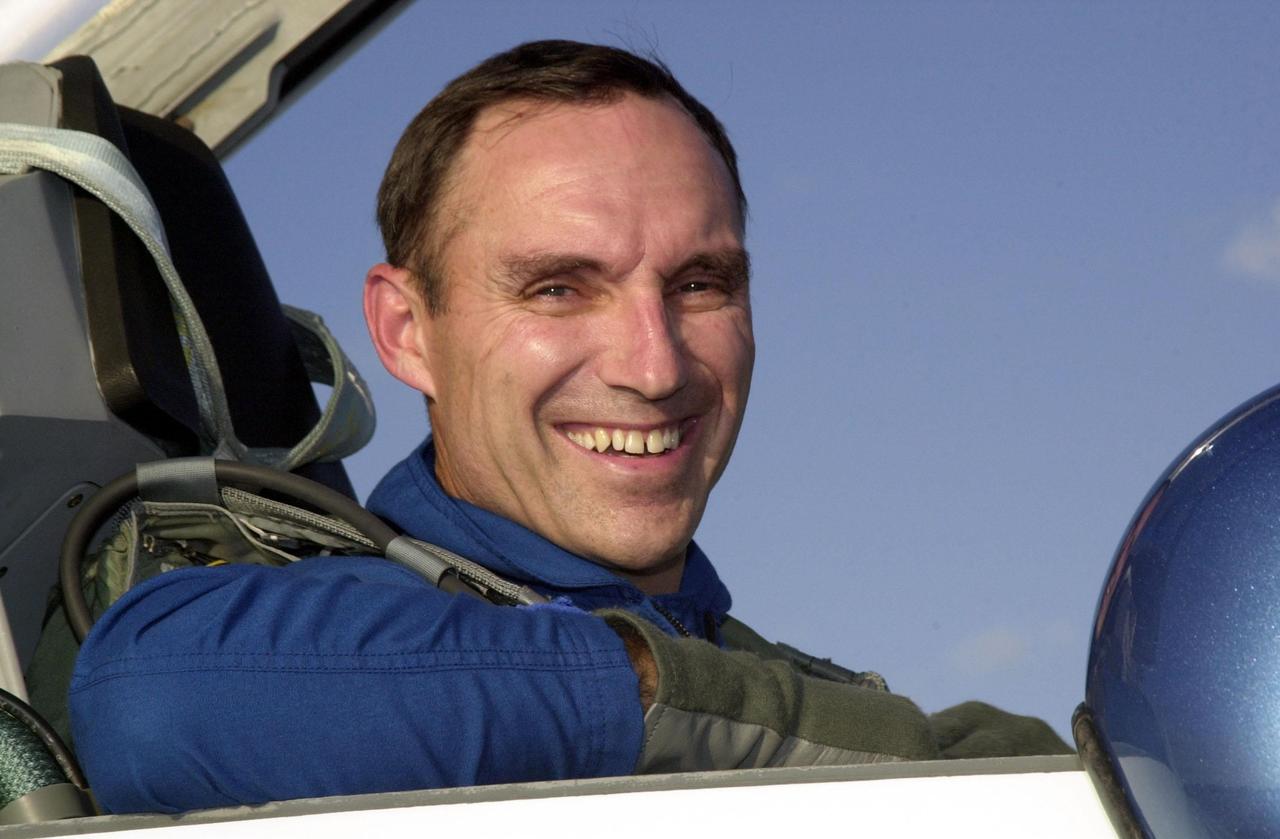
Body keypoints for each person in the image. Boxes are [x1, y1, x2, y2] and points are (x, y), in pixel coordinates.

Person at [66, 40, 1068, 815]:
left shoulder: (794, 690)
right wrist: (669, 696)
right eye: (556, 288)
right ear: (407, 332)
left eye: (699, 283)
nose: (653, 363)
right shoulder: (316, 631)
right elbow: (156, 699)